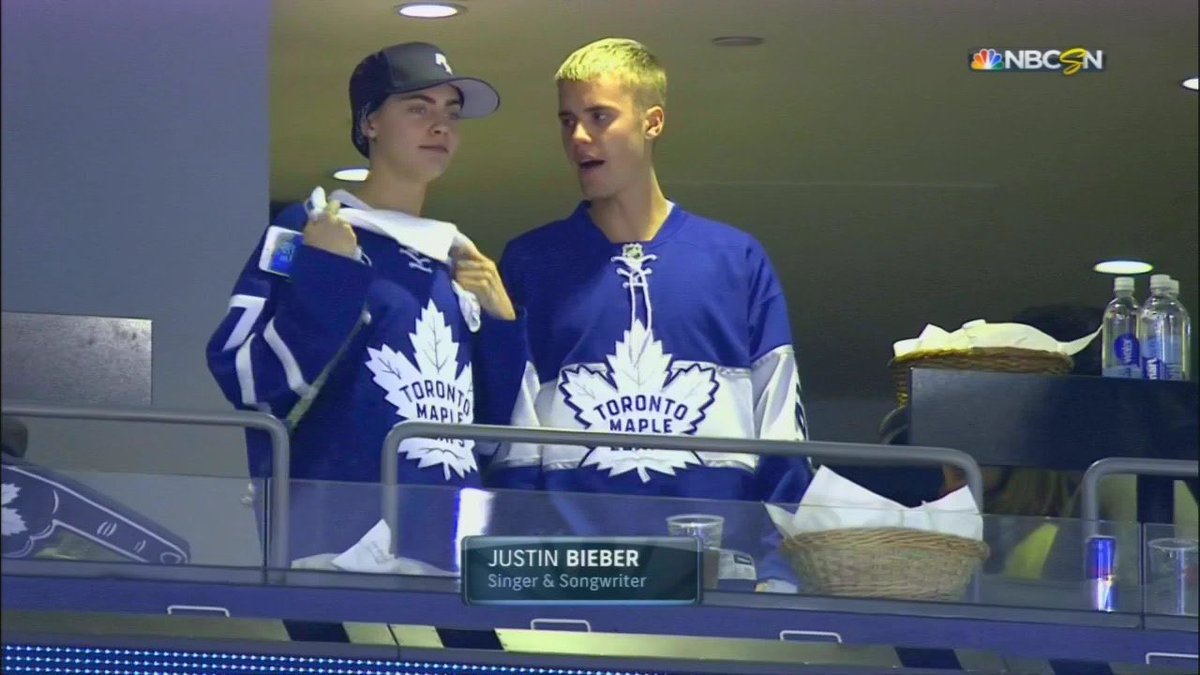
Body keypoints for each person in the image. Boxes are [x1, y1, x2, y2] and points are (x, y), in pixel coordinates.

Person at [485, 38, 812, 589]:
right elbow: (513, 436)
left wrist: (779, 571)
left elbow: (782, 428)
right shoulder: (531, 262)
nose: (579, 138)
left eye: (600, 117)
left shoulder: (735, 260)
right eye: (567, 121)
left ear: (652, 121)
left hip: (718, 575)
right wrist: (519, 570)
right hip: (574, 579)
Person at [206, 42, 525, 571]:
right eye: (418, 109)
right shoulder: (305, 229)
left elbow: (491, 436)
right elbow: (245, 379)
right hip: (329, 541)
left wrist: (502, 327)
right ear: (369, 124)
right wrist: (328, 273)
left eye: (451, 113)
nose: (441, 126)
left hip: (448, 548)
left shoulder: (459, 258)